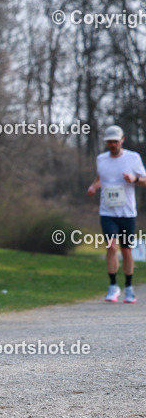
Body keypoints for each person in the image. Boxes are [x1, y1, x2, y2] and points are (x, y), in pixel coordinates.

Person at [87, 125, 145, 303]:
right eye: (109, 142)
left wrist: (134, 179)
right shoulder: (101, 159)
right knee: (111, 247)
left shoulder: (133, 158)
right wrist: (93, 187)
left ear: (122, 140)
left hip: (127, 212)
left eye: (115, 141)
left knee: (126, 250)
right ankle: (113, 285)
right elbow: (100, 179)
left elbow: (144, 179)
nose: (112, 144)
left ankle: (129, 287)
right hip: (107, 211)